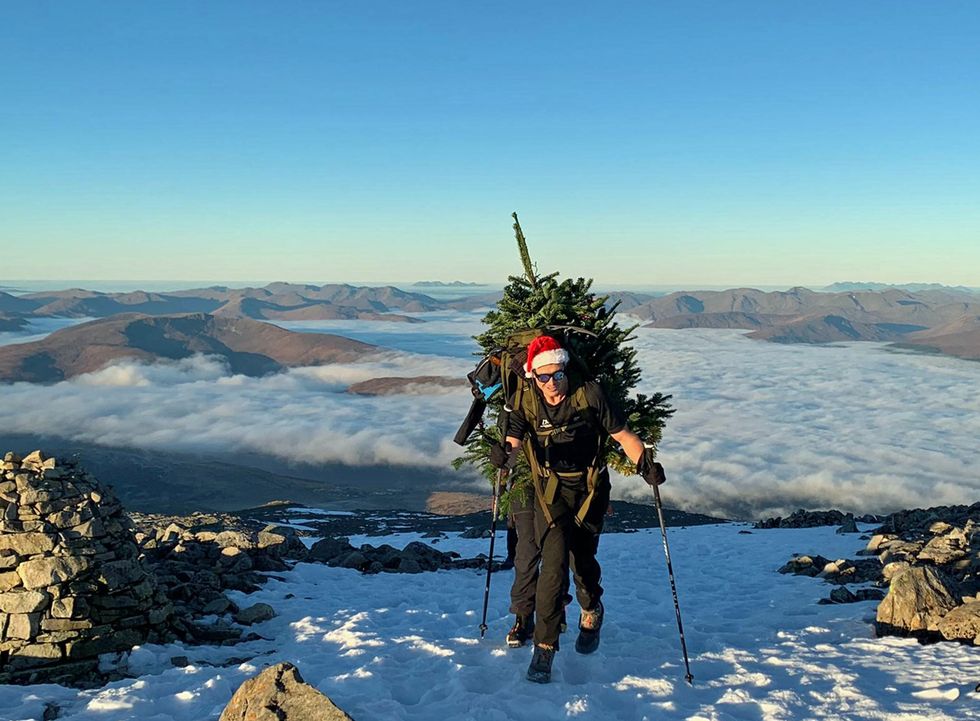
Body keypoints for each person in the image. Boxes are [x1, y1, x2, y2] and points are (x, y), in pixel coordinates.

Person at [489, 335, 665, 683]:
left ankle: (591, 607)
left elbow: (623, 436)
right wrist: (504, 457)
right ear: (533, 377)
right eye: (544, 377)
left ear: (566, 369)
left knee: (582, 563)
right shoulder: (526, 401)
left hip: (589, 490)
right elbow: (512, 442)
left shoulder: (591, 394)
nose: (552, 383)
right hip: (549, 493)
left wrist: (645, 465)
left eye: (558, 374)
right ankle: (544, 649)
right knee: (552, 569)